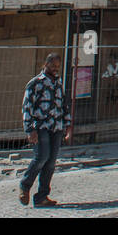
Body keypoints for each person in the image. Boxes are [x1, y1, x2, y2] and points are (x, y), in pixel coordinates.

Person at [19, 52, 72, 207]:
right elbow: (27, 107)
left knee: (50, 162)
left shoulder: (59, 83)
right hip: (40, 127)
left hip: (56, 127)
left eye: (58, 66)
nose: (56, 69)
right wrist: (29, 129)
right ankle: (25, 184)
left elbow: (64, 104)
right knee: (42, 157)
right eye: (53, 65)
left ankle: (42, 197)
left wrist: (68, 125)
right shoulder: (35, 83)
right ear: (45, 65)